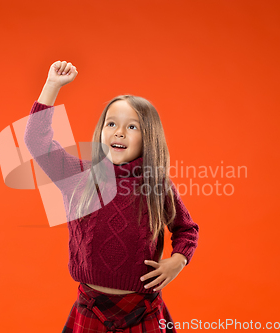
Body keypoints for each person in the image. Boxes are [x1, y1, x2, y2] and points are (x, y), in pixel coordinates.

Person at [24, 60, 199, 333]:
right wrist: (52, 85)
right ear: (102, 130)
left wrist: (178, 260)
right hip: (90, 308)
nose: (119, 131)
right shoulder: (79, 177)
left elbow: (186, 229)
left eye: (132, 127)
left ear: (148, 137)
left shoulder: (157, 185)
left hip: (144, 310)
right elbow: (37, 140)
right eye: (112, 123)